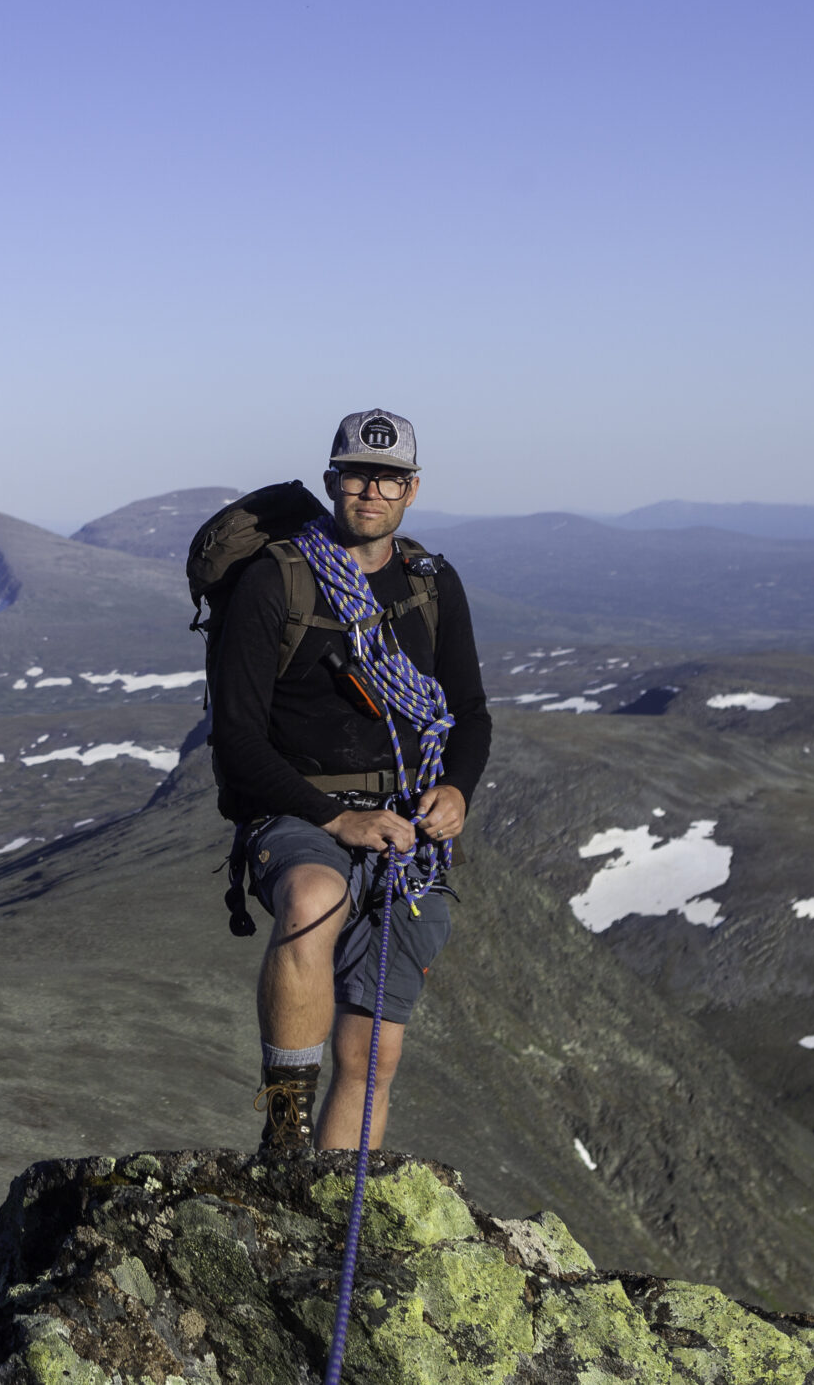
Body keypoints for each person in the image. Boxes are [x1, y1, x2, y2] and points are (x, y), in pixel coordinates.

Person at [203, 408, 494, 1154]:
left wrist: (456, 788)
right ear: (333, 481)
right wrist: (333, 818)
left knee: (372, 1056)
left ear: (412, 490)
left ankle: (333, 1214)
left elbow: (467, 710)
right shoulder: (279, 581)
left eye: (390, 478)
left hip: (403, 826)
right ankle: (286, 1135)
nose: (373, 489)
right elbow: (236, 736)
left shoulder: (431, 583)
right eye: (359, 473)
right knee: (313, 896)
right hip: (297, 809)